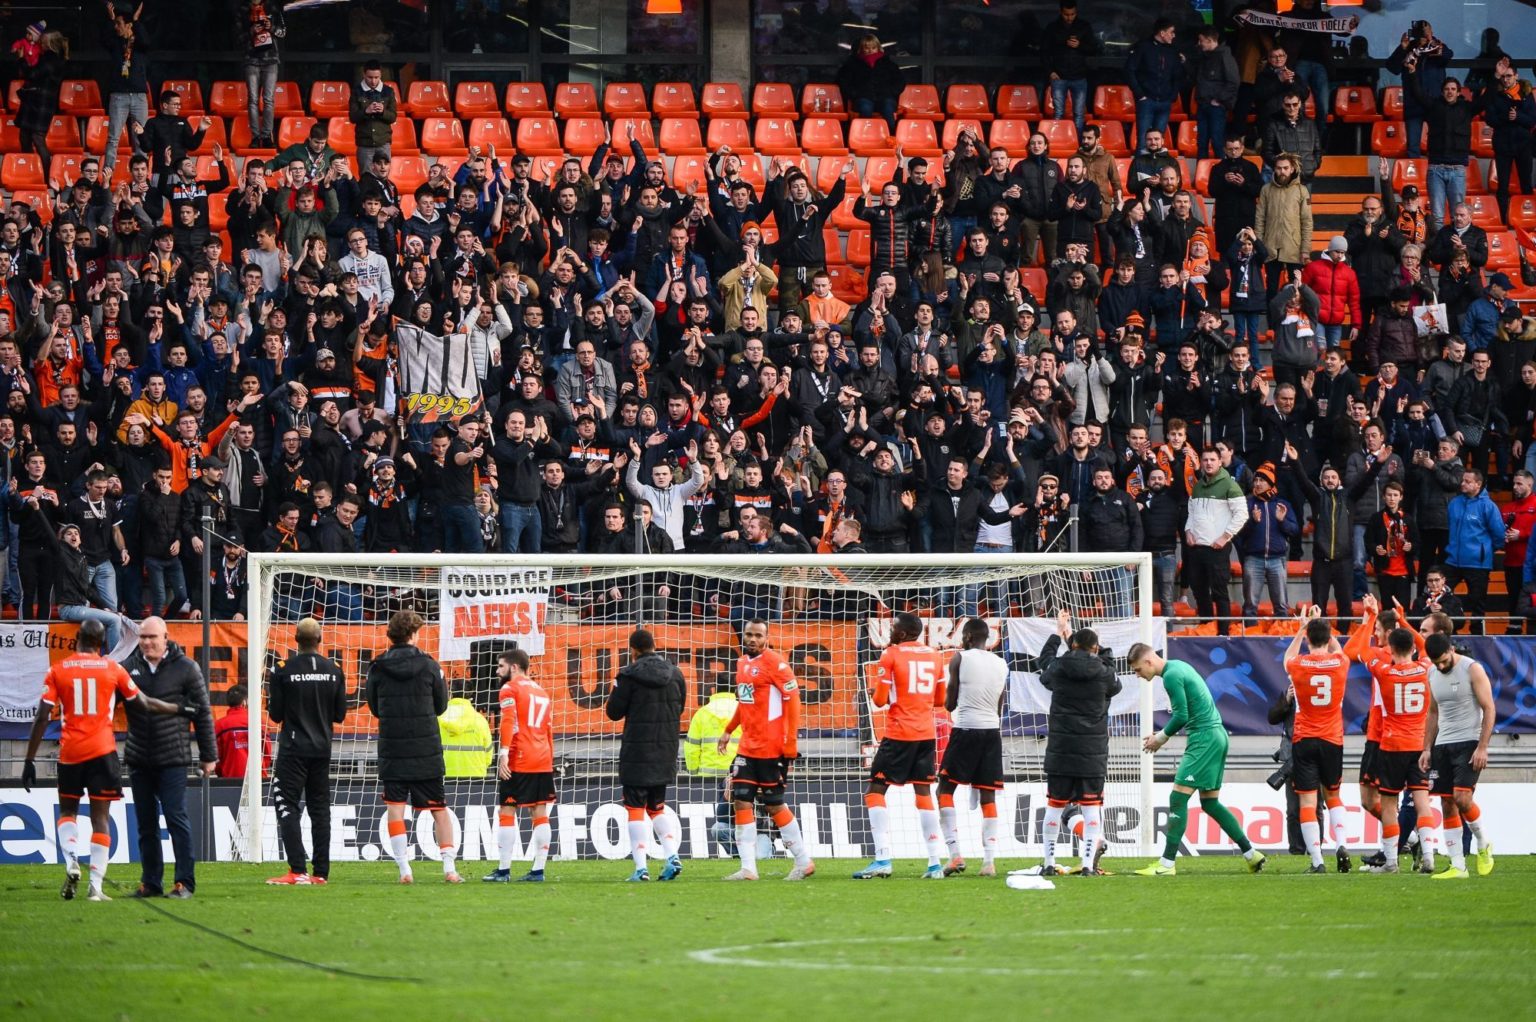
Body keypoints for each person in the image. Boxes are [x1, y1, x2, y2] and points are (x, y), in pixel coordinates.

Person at [20, 619, 189, 902]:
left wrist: (29, 759)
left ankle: (73, 861)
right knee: (101, 819)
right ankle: (95, 889)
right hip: (103, 751)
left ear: (77, 638)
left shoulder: (58, 670)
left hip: (71, 752)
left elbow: (41, 716)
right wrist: (179, 709)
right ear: (103, 644)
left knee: (67, 813)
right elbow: (144, 703)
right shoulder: (113, 669)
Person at [1129, 645, 1267, 875]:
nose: (1137, 675)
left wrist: (1160, 738)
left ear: (1148, 662)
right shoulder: (1179, 666)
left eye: (1137, 669)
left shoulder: (1171, 676)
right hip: (1217, 735)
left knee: (1177, 798)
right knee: (1210, 803)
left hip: (1204, 738)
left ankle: (1166, 865)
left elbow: (1182, 715)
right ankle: (1252, 854)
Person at [122, 615, 217, 899]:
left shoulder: (187, 668)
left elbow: (202, 713)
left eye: (152, 637)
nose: (147, 642)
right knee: (145, 824)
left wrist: (208, 755)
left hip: (173, 758)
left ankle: (184, 883)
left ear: (166, 637)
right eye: (142, 637)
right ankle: (150, 882)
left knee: (176, 819)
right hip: (139, 757)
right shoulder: (128, 668)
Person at [713, 619, 815, 881]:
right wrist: (728, 729)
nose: (752, 639)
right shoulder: (741, 663)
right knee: (741, 800)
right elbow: (744, 702)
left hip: (772, 749)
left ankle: (803, 861)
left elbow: (793, 702)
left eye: (758, 635)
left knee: (774, 805)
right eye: (749, 635)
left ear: (767, 638)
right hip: (747, 747)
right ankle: (748, 868)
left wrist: (790, 742)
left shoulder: (777, 664)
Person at [364, 609, 459, 884]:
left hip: (393, 747)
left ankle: (405, 870)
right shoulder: (430, 665)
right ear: (414, 634)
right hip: (425, 746)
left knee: (395, 807)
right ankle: (449, 869)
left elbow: (373, 706)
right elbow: (441, 705)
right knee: (439, 808)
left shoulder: (377, 667)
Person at [854, 612, 949, 880]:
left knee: (875, 791)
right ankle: (934, 864)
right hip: (925, 734)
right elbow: (940, 699)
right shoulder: (935, 655)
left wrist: (881, 691)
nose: (890, 632)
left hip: (899, 734)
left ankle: (882, 858)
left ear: (904, 633)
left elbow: (881, 700)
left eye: (894, 628)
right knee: (923, 795)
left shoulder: (891, 654)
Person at [1350, 609, 1436, 874]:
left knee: (1389, 804)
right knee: (1422, 802)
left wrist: (1367, 621)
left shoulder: (1383, 671)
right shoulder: (1426, 669)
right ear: (1412, 646)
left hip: (1391, 745)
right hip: (1419, 746)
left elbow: (1357, 650)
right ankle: (1430, 857)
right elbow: (1425, 648)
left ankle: (1391, 862)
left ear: (1390, 644)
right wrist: (1404, 624)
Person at [265, 617, 348, 885]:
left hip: (293, 749)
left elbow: (275, 714)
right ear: (320, 640)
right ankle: (321, 873)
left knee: (287, 805)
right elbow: (339, 714)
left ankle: (298, 870)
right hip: (322, 749)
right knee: (320, 809)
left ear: (295, 639)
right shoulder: (334, 670)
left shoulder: (282, 669)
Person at [1035, 612, 1119, 876]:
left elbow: (1043, 663)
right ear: (1095, 648)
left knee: (1054, 805)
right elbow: (1112, 675)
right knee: (1091, 807)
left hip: (1060, 750)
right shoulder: (1104, 673)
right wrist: (1099, 646)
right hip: (1092, 754)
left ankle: (1048, 863)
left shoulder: (1059, 668)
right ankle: (1086, 865)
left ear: (1071, 646)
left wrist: (1059, 633)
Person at [605, 627, 687, 882]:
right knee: (656, 808)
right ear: (654, 647)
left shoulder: (628, 675)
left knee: (635, 808)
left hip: (637, 751)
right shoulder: (676, 674)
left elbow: (613, 712)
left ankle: (641, 868)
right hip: (666, 749)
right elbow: (680, 707)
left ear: (633, 651)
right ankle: (672, 855)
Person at [1281, 607, 1353, 874]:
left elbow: (1288, 656)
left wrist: (1302, 627)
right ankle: (1342, 845)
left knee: (1308, 802)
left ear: (1309, 639)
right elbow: (1341, 652)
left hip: (1304, 739)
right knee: (1333, 796)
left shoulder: (1299, 665)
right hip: (1332, 739)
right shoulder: (1340, 663)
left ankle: (1317, 861)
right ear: (1329, 637)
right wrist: (1326, 629)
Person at [936, 617, 1007, 878]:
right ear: (986, 639)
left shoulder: (960, 659)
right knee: (988, 795)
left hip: (966, 729)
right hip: (991, 733)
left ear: (966, 638)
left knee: (944, 789)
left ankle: (955, 855)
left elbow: (950, 704)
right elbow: (1000, 705)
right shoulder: (1002, 664)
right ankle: (989, 862)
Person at [1422, 632, 1497, 878]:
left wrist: (1483, 746)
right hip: (1443, 744)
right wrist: (1426, 748)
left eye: (1444, 661)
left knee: (1461, 798)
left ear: (1452, 650)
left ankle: (1483, 842)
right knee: (1447, 803)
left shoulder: (1472, 669)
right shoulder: (1431, 673)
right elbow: (1433, 713)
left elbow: (1489, 708)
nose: (1441, 666)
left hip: (1469, 742)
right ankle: (1458, 866)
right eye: (1436, 663)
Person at [484, 649, 557, 884]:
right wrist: (549, 759)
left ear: (514, 667)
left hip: (520, 757)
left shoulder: (509, 688)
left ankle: (503, 870)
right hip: (542, 757)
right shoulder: (542, 692)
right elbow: (548, 730)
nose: (498, 671)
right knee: (539, 813)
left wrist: (503, 754)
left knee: (507, 810)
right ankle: (538, 870)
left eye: (501, 666)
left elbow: (507, 720)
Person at [1184, 447, 1247, 634]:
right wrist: (1188, 530)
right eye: (1205, 460)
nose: (1208, 463)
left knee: (1219, 593)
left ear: (1220, 462)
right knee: (1199, 592)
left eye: (1212, 459)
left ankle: (1223, 633)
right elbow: (1192, 512)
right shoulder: (1197, 485)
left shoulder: (1229, 485)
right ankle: (1206, 629)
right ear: (1201, 463)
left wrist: (1225, 536)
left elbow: (1242, 514)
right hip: (1197, 548)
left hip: (1217, 549)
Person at [836, 33, 903, 133]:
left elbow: (900, 81)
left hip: (885, 97)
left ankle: (891, 138)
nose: (870, 50)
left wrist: (891, 92)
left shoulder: (888, 64)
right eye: (867, 48)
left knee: (888, 108)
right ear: (861, 49)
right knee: (865, 108)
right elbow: (844, 82)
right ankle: (865, 136)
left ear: (878, 48)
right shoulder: (852, 64)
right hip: (863, 97)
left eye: (873, 47)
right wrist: (855, 94)